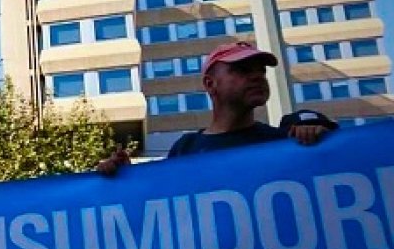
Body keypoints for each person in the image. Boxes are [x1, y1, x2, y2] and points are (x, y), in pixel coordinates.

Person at [98, 41, 335, 173]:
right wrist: (125, 177)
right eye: (242, 70)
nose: (257, 77)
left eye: (260, 71)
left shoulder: (285, 141)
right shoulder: (185, 148)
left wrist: (325, 144)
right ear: (211, 84)